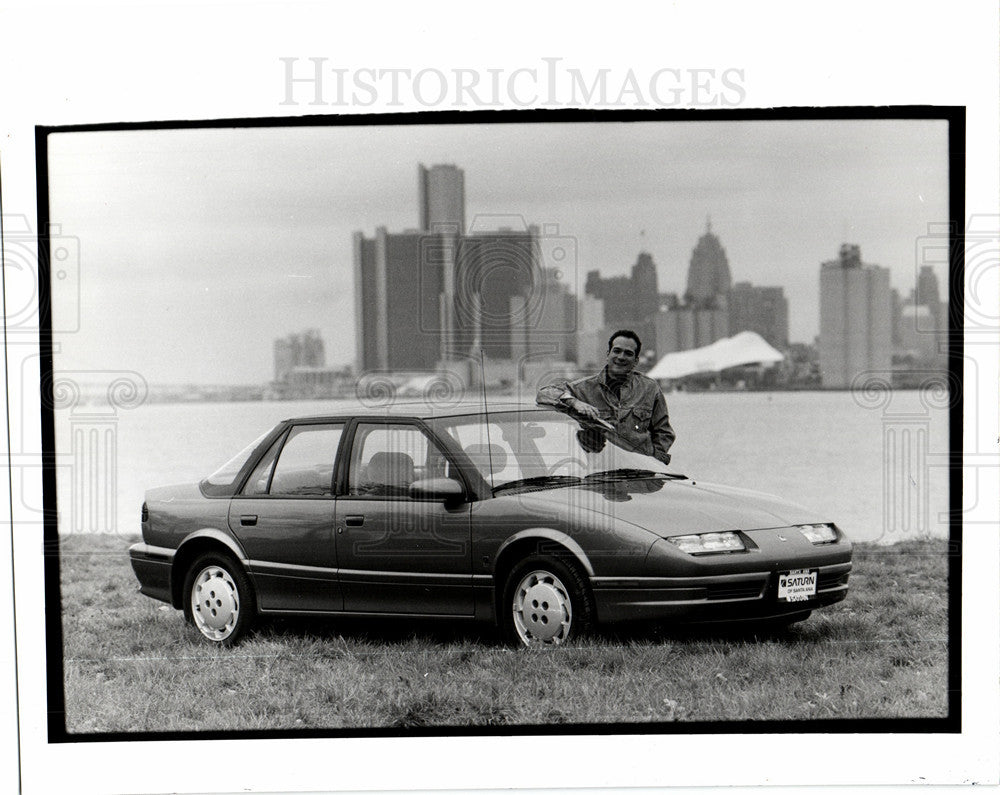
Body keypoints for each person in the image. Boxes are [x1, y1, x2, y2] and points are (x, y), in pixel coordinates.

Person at [536, 329, 675, 465]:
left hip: (641, 472)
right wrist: (575, 402)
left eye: (628, 353)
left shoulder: (650, 388)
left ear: (636, 361)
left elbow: (664, 432)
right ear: (608, 355)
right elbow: (544, 393)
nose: (621, 357)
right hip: (599, 473)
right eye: (617, 351)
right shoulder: (583, 388)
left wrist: (653, 460)